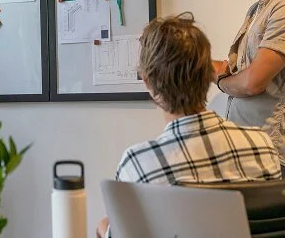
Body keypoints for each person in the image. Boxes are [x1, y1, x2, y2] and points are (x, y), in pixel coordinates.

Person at [97, 13, 281, 238]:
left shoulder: (139, 164)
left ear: (147, 81)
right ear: (208, 75)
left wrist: (103, 228)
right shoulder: (262, 146)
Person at [212, 0, 285, 146]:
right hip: (251, 149)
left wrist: (221, 81)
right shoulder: (258, 9)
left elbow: (253, 83)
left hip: (272, 154)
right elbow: (241, 73)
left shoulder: (283, 4)